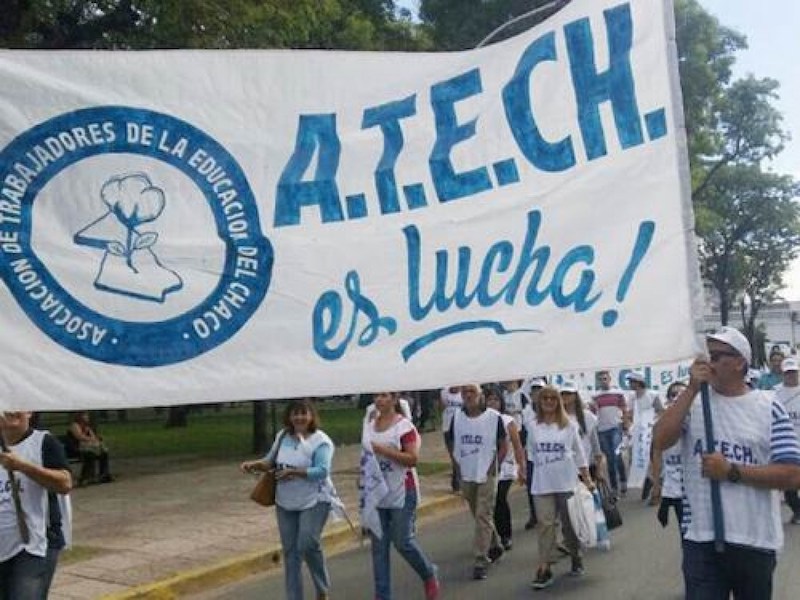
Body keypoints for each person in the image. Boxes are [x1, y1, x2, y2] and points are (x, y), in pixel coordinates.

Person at [653, 327, 800, 599]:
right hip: (701, 537)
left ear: (739, 362)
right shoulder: (691, 405)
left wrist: (732, 471)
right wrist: (691, 391)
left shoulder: (768, 406)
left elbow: (792, 475)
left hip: (754, 538)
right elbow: (660, 441)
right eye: (706, 355)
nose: (708, 362)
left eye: (717, 355)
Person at [240, 399, 337, 600]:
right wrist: (254, 465)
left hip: (316, 499)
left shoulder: (321, 441)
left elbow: (322, 470)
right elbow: (269, 461)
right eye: (295, 413)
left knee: (307, 543)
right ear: (289, 417)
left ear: (311, 416)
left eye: (304, 413)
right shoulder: (283, 436)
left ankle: (322, 588)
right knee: (291, 553)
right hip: (286, 501)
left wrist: (296, 472)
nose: (299, 417)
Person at [362, 392, 440, 600]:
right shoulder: (370, 426)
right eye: (377, 396)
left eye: (385, 396)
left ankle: (428, 573)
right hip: (378, 492)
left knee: (402, 541)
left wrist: (384, 451)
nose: (380, 400)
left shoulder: (403, 427)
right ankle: (382, 594)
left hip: (402, 490)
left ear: (394, 399)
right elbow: (367, 457)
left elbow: (412, 458)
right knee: (378, 546)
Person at [525, 386, 593, 590]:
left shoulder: (569, 426)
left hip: (566, 482)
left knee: (569, 524)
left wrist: (587, 478)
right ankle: (544, 568)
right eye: (544, 398)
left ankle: (575, 555)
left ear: (558, 402)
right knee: (545, 526)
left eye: (552, 398)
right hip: (542, 483)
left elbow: (579, 453)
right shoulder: (532, 425)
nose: (548, 402)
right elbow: (531, 454)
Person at [0, 411, 72, 599]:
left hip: (35, 543)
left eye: (19, 405)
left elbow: (64, 484)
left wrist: (23, 466)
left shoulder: (44, 442)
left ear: (29, 412)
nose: (11, 411)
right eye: (6, 405)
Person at [445, 383, 507, 580]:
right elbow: (451, 441)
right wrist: (457, 463)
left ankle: (481, 558)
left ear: (480, 395)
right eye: (465, 393)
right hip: (467, 472)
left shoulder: (493, 418)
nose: (468, 395)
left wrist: (495, 464)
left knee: (483, 512)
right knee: (477, 512)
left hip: (486, 471)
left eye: (472, 392)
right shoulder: (458, 417)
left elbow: (502, 444)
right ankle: (494, 543)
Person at [485, 385, 526, 551]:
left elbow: (517, 446)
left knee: (501, 499)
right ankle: (492, 536)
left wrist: (521, 467)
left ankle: (506, 535)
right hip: (487, 466)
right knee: (490, 504)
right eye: (489, 399)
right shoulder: (483, 420)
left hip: (505, 467)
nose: (492, 403)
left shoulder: (508, 421)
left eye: (495, 399)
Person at [650, 381, 687, 529]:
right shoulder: (660, 424)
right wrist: (657, 486)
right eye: (673, 394)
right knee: (685, 533)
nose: (677, 397)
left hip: (696, 489)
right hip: (675, 488)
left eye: (682, 394)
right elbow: (657, 455)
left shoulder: (699, 421)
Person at [625, 373, 663, 498]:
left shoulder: (652, 395)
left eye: (632, 381)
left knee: (653, 458)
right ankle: (649, 479)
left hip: (651, 430)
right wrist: (629, 426)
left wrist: (652, 422)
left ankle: (655, 483)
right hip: (637, 432)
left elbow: (660, 411)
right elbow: (629, 414)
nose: (630, 384)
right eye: (629, 382)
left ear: (639, 382)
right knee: (636, 459)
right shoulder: (631, 397)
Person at [592, 370, 629, 496]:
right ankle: (614, 486)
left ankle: (623, 480)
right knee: (610, 459)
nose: (603, 381)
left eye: (605, 378)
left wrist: (625, 424)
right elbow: (593, 413)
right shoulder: (595, 396)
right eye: (601, 379)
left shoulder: (618, 393)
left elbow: (624, 409)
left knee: (616, 454)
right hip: (602, 430)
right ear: (598, 381)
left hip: (615, 428)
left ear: (609, 379)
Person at [560, 381, 606, 483]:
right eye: (563, 393)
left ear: (575, 396)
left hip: (586, 466)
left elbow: (596, 445)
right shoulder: (557, 418)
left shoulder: (587, 416)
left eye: (568, 393)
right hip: (565, 469)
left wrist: (599, 468)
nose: (565, 396)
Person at [774, 357, 800, 524]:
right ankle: (797, 510)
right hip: (786, 444)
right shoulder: (774, 392)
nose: (791, 376)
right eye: (788, 373)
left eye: (794, 372)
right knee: (789, 482)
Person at [521, 377, 545, 529]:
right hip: (531, 454)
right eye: (534, 390)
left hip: (546, 454)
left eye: (539, 390)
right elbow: (523, 432)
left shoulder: (550, 408)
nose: (537, 393)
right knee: (531, 486)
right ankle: (534, 514)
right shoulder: (526, 411)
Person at [67, 411, 113, 486]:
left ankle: (104, 474)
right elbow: (79, 437)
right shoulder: (74, 425)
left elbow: (93, 437)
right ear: (80, 417)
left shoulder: (86, 427)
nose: (87, 417)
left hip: (87, 447)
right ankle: (85, 477)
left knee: (104, 453)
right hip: (75, 448)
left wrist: (95, 439)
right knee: (89, 455)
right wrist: (90, 439)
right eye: (85, 416)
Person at [439, 386, 463, 493]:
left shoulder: (463, 394)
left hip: (461, 428)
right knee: (454, 456)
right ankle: (457, 483)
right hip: (447, 428)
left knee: (460, 456)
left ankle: (458, 482)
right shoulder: (444, 393)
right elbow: (440, 408)